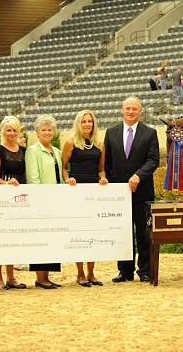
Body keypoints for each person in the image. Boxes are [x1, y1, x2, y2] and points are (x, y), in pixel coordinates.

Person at [101, 97, 159, 283]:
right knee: (123, 233)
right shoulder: (111, 133)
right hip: (119, 195)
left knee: (143, 233)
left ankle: (145, 271)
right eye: (128, 108)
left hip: (143, 192)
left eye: (134, 109)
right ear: (122, 110)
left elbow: (153, 160)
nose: (131, 111)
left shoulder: (150, 133)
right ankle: (124, 271)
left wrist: (138, 175)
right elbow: (107, 163)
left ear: (140, 111)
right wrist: (105, 179)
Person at [61, 110, 107, 287]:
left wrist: (102, 178)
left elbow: (101, 169)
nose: (87, 124)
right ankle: (80, 273)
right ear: (78, 123)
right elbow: (64, 168)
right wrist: (67, 179)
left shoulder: (99, 144)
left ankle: (91, 273)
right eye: (84, 121)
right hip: (76, 190)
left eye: (90, 121)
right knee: (79, 233)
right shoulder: (71, 142)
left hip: (93, 193)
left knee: (92, 232)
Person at [25, 114, 63, 289]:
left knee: (52, 239)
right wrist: (41, 201)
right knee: (41, 239)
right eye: (43, 130)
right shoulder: (33, 151)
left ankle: (46, 277)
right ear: (37, 133)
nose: (47, 132)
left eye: (49, 129)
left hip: (56, 201)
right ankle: (40, 278)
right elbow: (33, 178)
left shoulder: (56, 151)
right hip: (41, 202)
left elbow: (59, 176)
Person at [0, 116, 27, 290]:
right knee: (0, 238)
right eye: (8, 130)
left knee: (13, 239)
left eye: (14, 130)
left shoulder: (23, 150)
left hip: (19, 197)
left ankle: (11, 277)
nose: (12, 133)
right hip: (2, 196)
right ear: (3, 131)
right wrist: (7, 184)